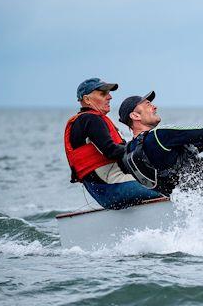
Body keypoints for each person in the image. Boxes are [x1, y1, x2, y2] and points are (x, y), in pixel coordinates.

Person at [64, 78, 163, 209]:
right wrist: (144, 148)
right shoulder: (90, 119)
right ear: (87, 100)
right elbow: (111, 151)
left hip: (105, 192)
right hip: (113, 189)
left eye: (108, 93)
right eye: (103, 94)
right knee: (171, 188)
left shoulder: (87, 120)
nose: (110, 97)